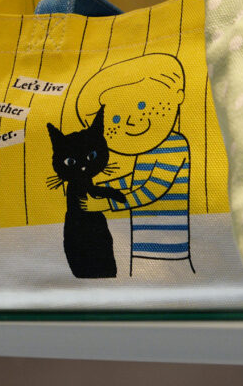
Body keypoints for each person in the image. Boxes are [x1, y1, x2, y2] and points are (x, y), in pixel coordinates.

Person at [76, 53, 194, 274]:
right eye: (116, 119)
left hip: (169, 247)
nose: (131, 121)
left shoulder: (174, 144)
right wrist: (102, 188)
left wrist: (107, 204)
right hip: (143, 240)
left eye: (141, 105)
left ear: (178, 96)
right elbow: (135, 181)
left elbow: (152, 189)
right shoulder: (148, 148)